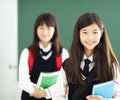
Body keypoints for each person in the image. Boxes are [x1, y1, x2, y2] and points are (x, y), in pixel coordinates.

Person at [58, 12, 120, 100]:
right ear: (78, 34)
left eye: (95, 32)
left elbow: (118, 95)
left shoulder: (111, 64)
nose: (90, 37)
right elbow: (58, 95)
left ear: (101, 34)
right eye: (85, 32)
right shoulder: (68, 64)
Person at [19, 13, 69, 100]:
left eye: (49, 28)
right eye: (41, 28)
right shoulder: (27, 53)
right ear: (36, 30)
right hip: (31, 96)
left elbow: (64, 82)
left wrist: (46, 93)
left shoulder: (63, 53)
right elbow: (23, 81)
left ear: (55, 30)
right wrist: (38, 92)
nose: (45, 32)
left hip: (54, 97)